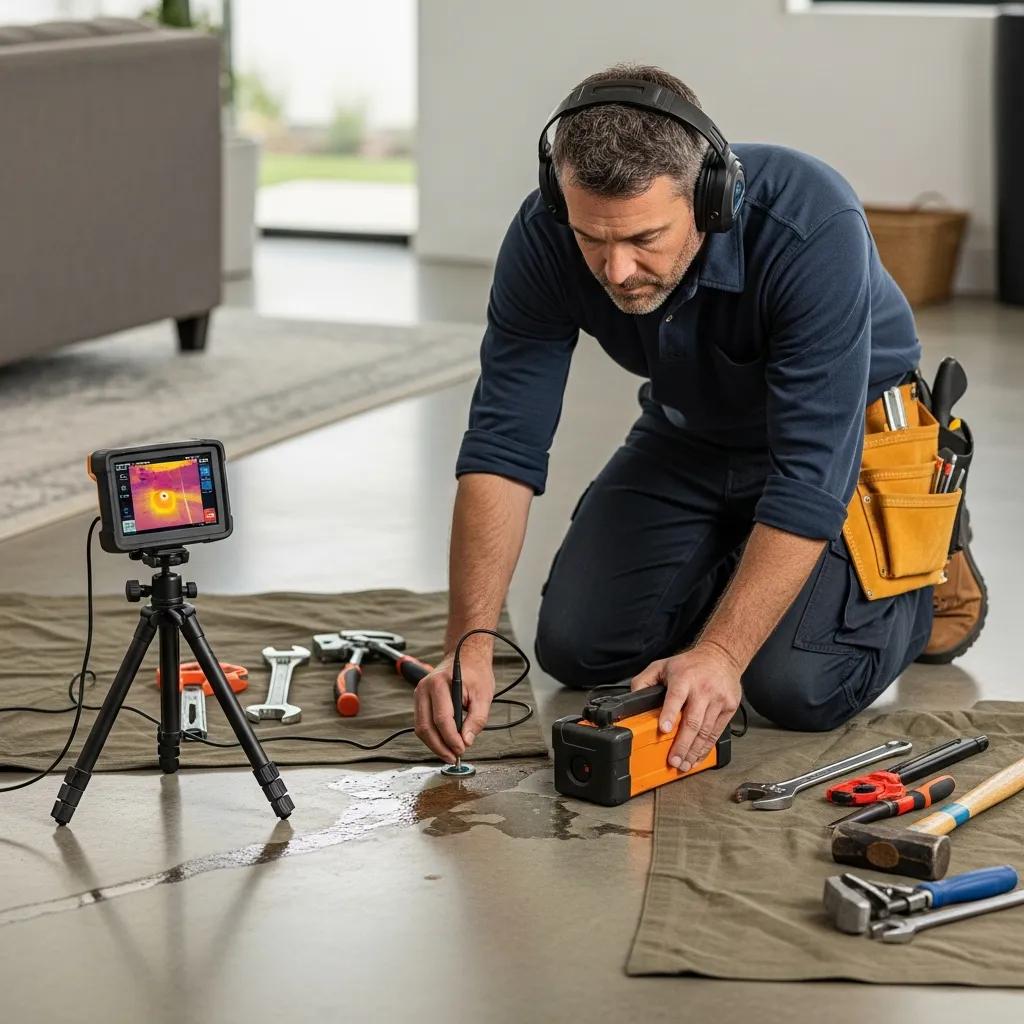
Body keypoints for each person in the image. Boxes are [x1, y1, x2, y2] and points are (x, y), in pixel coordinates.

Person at [413, 63, 986, 772]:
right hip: (693, 428)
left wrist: (720, 652)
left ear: (710, 199)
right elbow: (504, 442)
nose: (616, 269)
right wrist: (468, 638)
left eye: (644, 239)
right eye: (595, 239)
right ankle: (766, 570)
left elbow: (811, 473)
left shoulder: (812, 224)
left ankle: (925, 555)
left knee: (795, 686)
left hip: (852, 439)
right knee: (579, 650)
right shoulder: (546, 234)